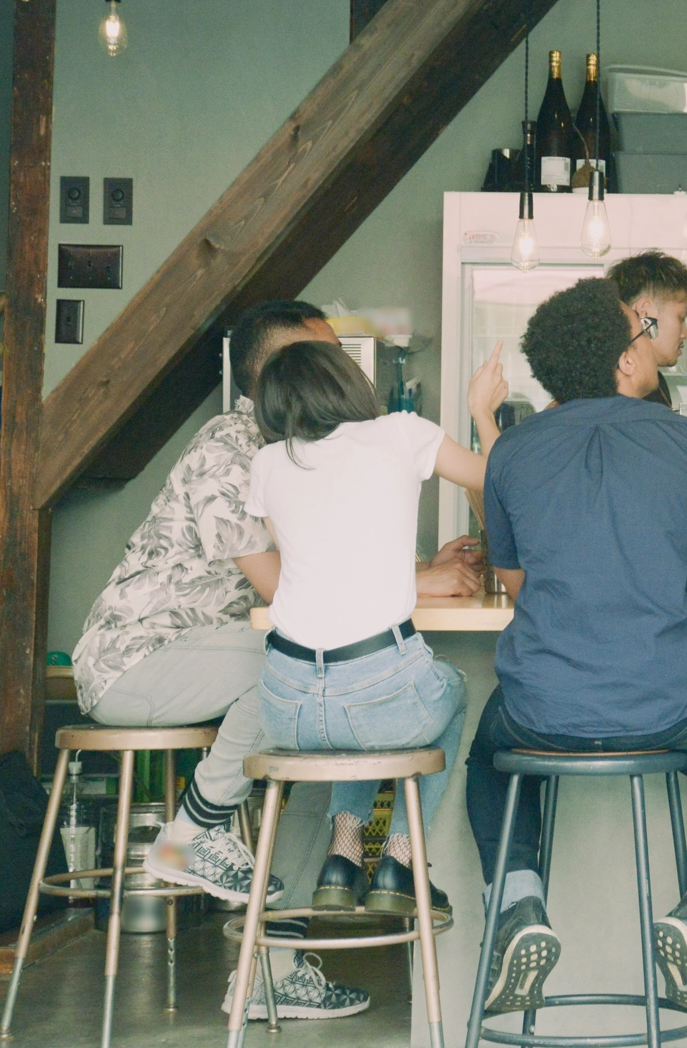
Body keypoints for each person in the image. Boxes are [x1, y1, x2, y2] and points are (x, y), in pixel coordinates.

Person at [71, 299, 479, 1022]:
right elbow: (285, 585)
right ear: (271, 375)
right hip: (137, 660)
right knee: (300, 653)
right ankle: (189, 835)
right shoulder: (230, 451)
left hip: (226, 659)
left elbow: (327, 564)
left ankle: (274, 970)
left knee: (322, 739)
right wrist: (421, 581)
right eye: (324, 356)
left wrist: (419, 566)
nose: (342, 370)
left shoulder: (304, 447)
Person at [464, 276, 687, 1023]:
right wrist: (661, 587)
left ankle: (517, 911)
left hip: (540, 711)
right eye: (639, 331)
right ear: (623, 357)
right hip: (671, 707)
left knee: (491, 755)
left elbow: (516, 581)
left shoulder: (511, 454)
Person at [246, 337, 506, 919]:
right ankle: (400, 859)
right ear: (347, 381)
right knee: (450, 691)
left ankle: (341, 859)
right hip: (378, 701)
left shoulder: (266, 464)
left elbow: (327, 557)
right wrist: (482, 413)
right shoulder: (399, 432)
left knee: (355, 718)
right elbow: (499, 480)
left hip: (285, 706)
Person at [606, 249, 687, 407]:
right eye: (681, 318)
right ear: (645, 312)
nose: (685, 334)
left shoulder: (655, 384)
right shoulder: (613, 391)